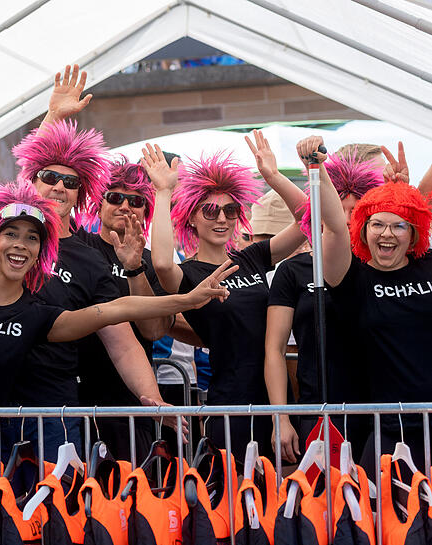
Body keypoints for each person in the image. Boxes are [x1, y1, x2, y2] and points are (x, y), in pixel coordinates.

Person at [0, 50, 171, 458]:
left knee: (49, 501)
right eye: (49, 176)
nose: (59, 186)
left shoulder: (91, 258)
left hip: (49, 413)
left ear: (82, 194)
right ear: (33, 180)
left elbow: (122, 342)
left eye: (71, 182)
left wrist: (154, 398)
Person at [0, 181, 232, 451]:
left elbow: (116, 310)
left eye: (32, 238)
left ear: (42, 252)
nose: (21, 244)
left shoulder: (35, 316)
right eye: (11, 234)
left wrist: (186, 299)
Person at [146, 129, 308, 457]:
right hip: (232, 403)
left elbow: (306, 219)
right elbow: (162, 263)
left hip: (278, 399)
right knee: (235, 488)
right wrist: (163, 192)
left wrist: (273, 177)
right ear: (191, 218)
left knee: (283, 486)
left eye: (230, 210)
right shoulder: (190, 274)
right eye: (209, 210)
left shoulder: (250, 257)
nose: (221, 218)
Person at [308, 136, 432, 476]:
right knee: (383, 507)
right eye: (377, 224)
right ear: (363, 230)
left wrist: (405, 192)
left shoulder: (427, 265)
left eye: (398, 226)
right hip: (388, 426)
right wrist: (318, 167)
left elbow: (419, 208)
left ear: (413, 233)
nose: (387, 233)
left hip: (430, 415)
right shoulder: (353, 279)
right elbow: (335, 226)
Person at [265, 148, 383, 461]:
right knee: (320, 492)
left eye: (355, 210)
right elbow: (274, 349)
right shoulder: (292, 271)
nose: (345, 218)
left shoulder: (376, 266)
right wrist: (281, 418)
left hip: (375, 407)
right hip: (316, 407)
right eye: (338, 209)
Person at [72, 158, 176, 459]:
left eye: (136, 200)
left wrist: (134, 268)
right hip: (75, 397)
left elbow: (154, 330)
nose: (125, 206)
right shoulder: (78, 246)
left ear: (146, 211)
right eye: (115, 197)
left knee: (132, 484)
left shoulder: (152, 262)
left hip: (130, 400)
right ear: (99, 204)